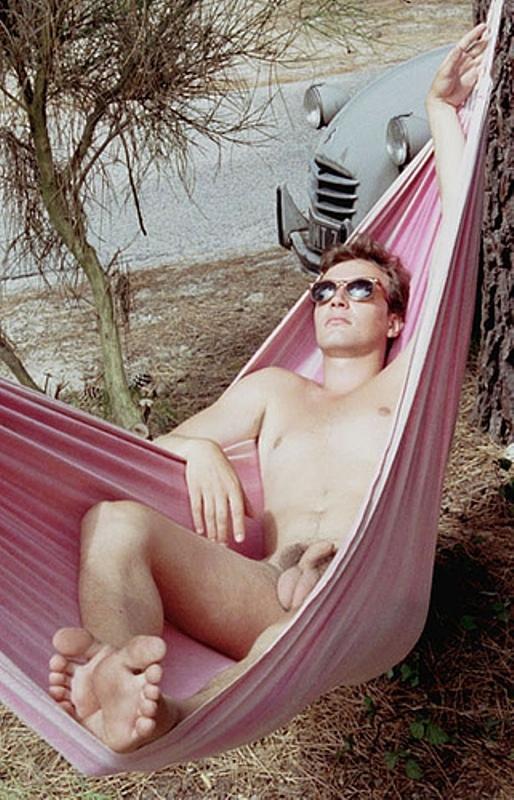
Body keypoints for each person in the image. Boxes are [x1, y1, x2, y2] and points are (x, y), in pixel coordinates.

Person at [48, 25, 488, 753]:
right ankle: (118, 680)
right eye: (324, 290)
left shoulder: (410, 378)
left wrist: (441, 110)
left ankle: (174, 720)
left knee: (294, 630)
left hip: (358, 596)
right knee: (115, 520)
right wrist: (201, 451)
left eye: (360, 289)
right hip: (260, 587)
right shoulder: (275, 390)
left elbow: (455, 248)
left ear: (395, 319)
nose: (337, 298)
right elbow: (158, 450)